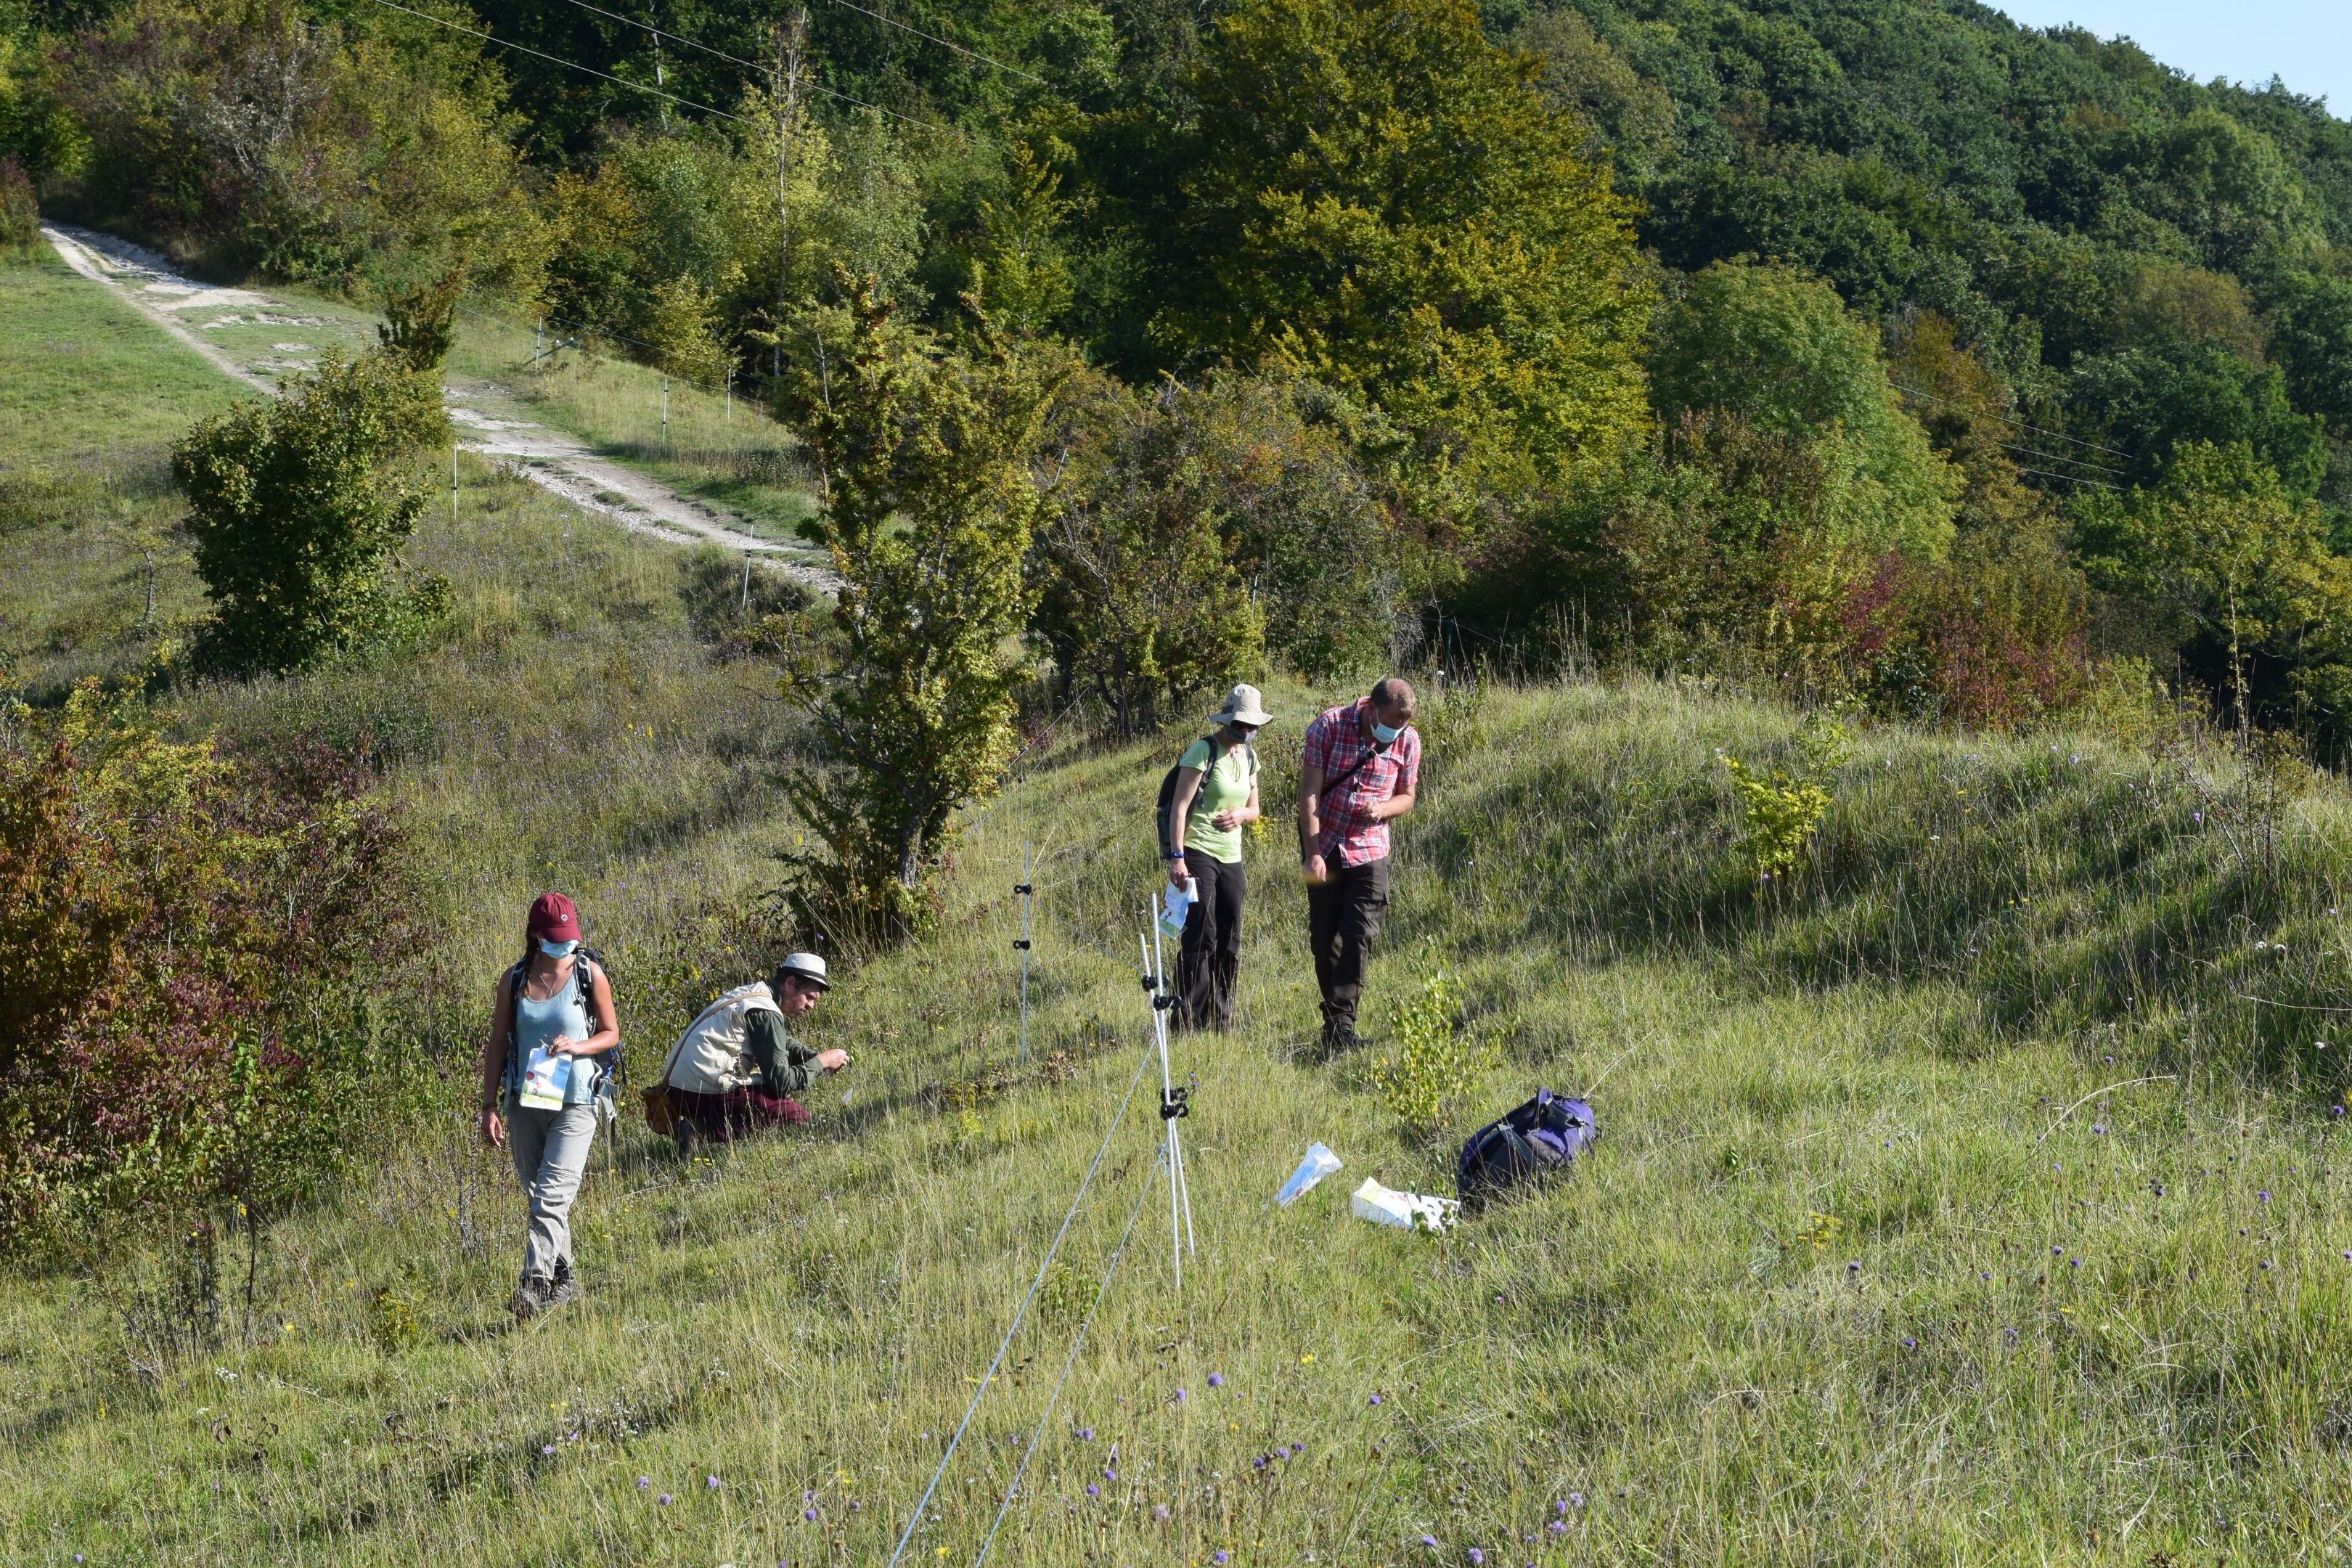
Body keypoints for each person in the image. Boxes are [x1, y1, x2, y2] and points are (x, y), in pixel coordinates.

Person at [476, 891, 620, 1322]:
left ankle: (533, 1284)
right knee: (542, 1196)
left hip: (577, 1101)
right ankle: (565, 1280)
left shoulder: (588, 974)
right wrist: (489, 1106)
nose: (564, 945)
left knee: (551, 1196)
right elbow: (498, 1043)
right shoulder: (515, 979)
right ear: (536, 935)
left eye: (568, 936)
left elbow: (611, 1033)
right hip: (525, 1100)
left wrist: (577, 1047)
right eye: (555, 937)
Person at [1297, 677, 1421, 1054]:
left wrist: (1383, 809)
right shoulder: (1328, 727)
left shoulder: (1408, 740)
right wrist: (1313, 852)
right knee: (1324, 938)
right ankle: (1336, 1026)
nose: (1393, 733)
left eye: (1400, 727)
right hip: (1327, 840)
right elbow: (1309, 794)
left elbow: (1408, 797)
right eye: (1388, 724)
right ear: (1371, 709)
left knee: (1361, 933)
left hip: (1370, 848)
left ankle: (1342, 1024)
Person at [658, 952, 849, 1157]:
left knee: (766, 1095)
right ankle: (701, 1131)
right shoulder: (765, 1011)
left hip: (677, 1091)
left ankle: (698, 1125)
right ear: (790, 983)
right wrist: (821, 1062)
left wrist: (813, 1056)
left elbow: (777, 1043)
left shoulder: (753, 994)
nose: (811, 1006)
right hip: (701, 1092)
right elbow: (781, 1082)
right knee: (796, 1116)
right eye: (809, 997)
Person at [1161, 684, 1270, 1031]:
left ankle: (1220, 1020)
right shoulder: (1202, 751)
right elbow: (1178, 809)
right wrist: (1178, 858)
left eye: (1252, 726)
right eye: (1241, 724)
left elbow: (1255, 809)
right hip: (1198, 851)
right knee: (1200, 936)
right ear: (1228, 720)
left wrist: (1241, 815)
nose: (1247, 731)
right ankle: (1187, 1020)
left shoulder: (1250, 757)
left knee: (1230, 936)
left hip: (1232, 857)